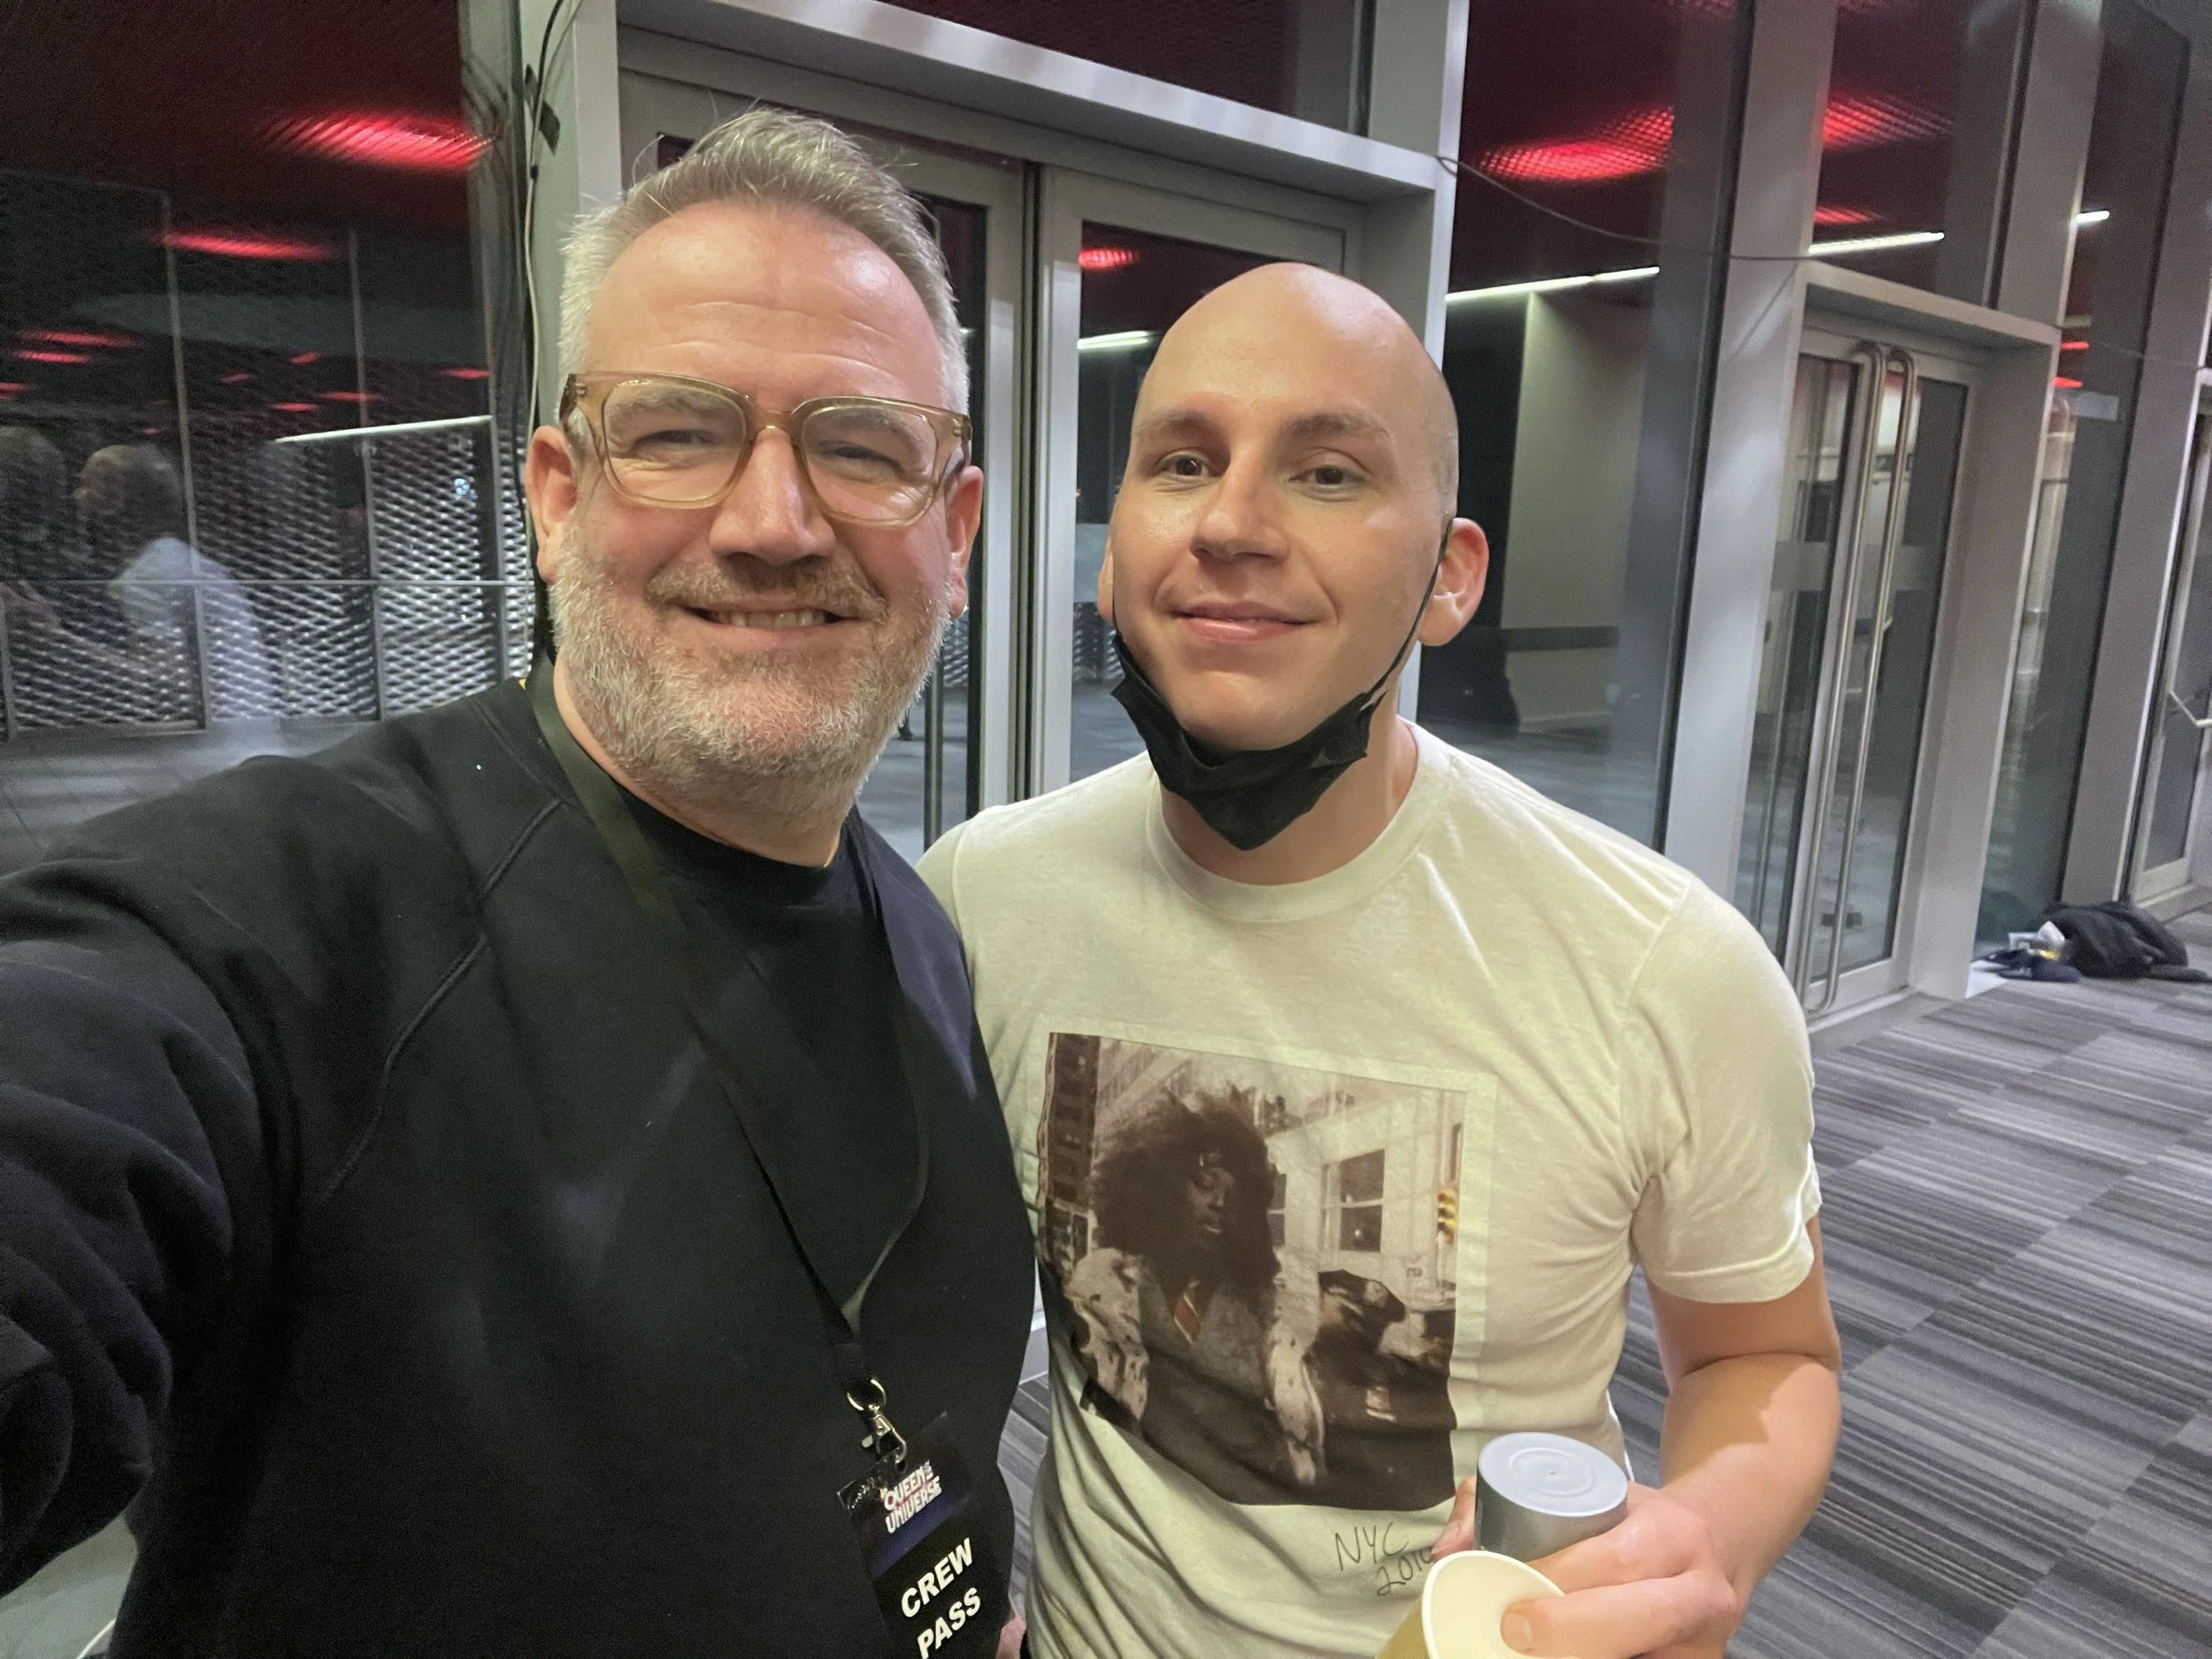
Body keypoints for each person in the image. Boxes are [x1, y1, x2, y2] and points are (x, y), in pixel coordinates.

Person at [0, 107, 1032, 1657]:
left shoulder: (927, 937)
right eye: (681, 432)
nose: (772, 521)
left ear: (951, 535)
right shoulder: (290, 917)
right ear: (556, 497)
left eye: (861, 446)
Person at [919, 264, 1841, 1658]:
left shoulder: (1663, 966)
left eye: (1330, 472)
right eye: (1183, 460)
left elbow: (1762, 1352)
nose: (1232, 522)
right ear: (1111, 553)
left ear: (1450, 575)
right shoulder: (983, 899)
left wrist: (1711, 1528)